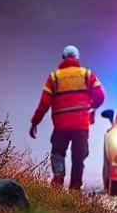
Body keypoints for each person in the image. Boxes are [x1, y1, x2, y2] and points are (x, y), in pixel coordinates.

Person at [30, 45, 106, 190]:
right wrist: (91, 106)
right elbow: (100, 95)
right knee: (79, 157)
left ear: (63, 58)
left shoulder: (54, 77)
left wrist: (35, 122)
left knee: (58, 152)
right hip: (81, 126)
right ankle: (75, 189)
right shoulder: (86, 74)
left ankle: (58, 176)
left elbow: (44, 103)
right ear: (77, 58)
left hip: (61, 126)